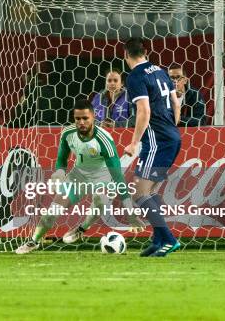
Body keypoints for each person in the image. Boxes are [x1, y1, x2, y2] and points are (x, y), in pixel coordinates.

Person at [15, 100, 144, 254]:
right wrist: (60, 172)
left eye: (85, 118)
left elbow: (117, 177)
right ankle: (33, 241)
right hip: (79, 175)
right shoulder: (68, 133)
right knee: (52, 212)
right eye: (78, 119)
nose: (81, 122)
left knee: (100, 198)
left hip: (103, 176)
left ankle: (82, 228)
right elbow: (62, 159)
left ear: (93, 117)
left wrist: (130, 211)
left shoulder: (104, 140)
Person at [123, 37, 182, 257]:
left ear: (126, 55)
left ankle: (169, 240)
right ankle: (158, 241)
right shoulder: (161, 71)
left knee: (140, 194)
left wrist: (134, 142)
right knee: (151, 192)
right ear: (145, 52)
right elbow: (176, 104)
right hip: (171, 137)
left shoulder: (135, 76)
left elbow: (144, 111)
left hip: (156, 140)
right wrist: (170, 128)